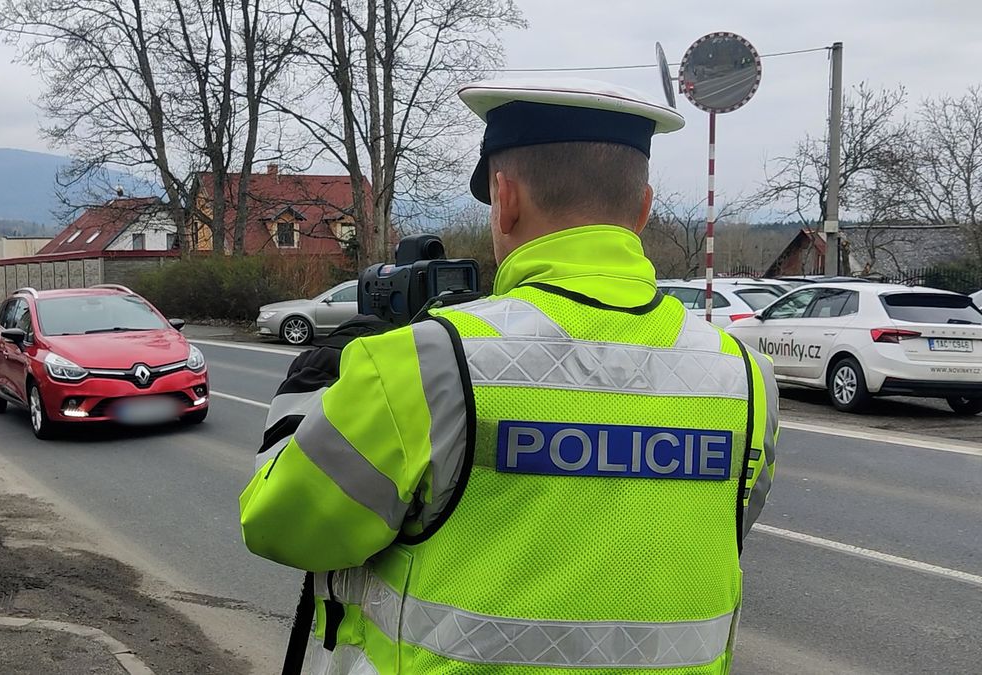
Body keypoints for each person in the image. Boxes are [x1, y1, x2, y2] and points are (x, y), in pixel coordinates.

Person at [239, 77, 778, 675]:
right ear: (644, 208)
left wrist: (304, 397)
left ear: (505, 197)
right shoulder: (745, 377)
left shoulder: (424, 362)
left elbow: (282, 528)